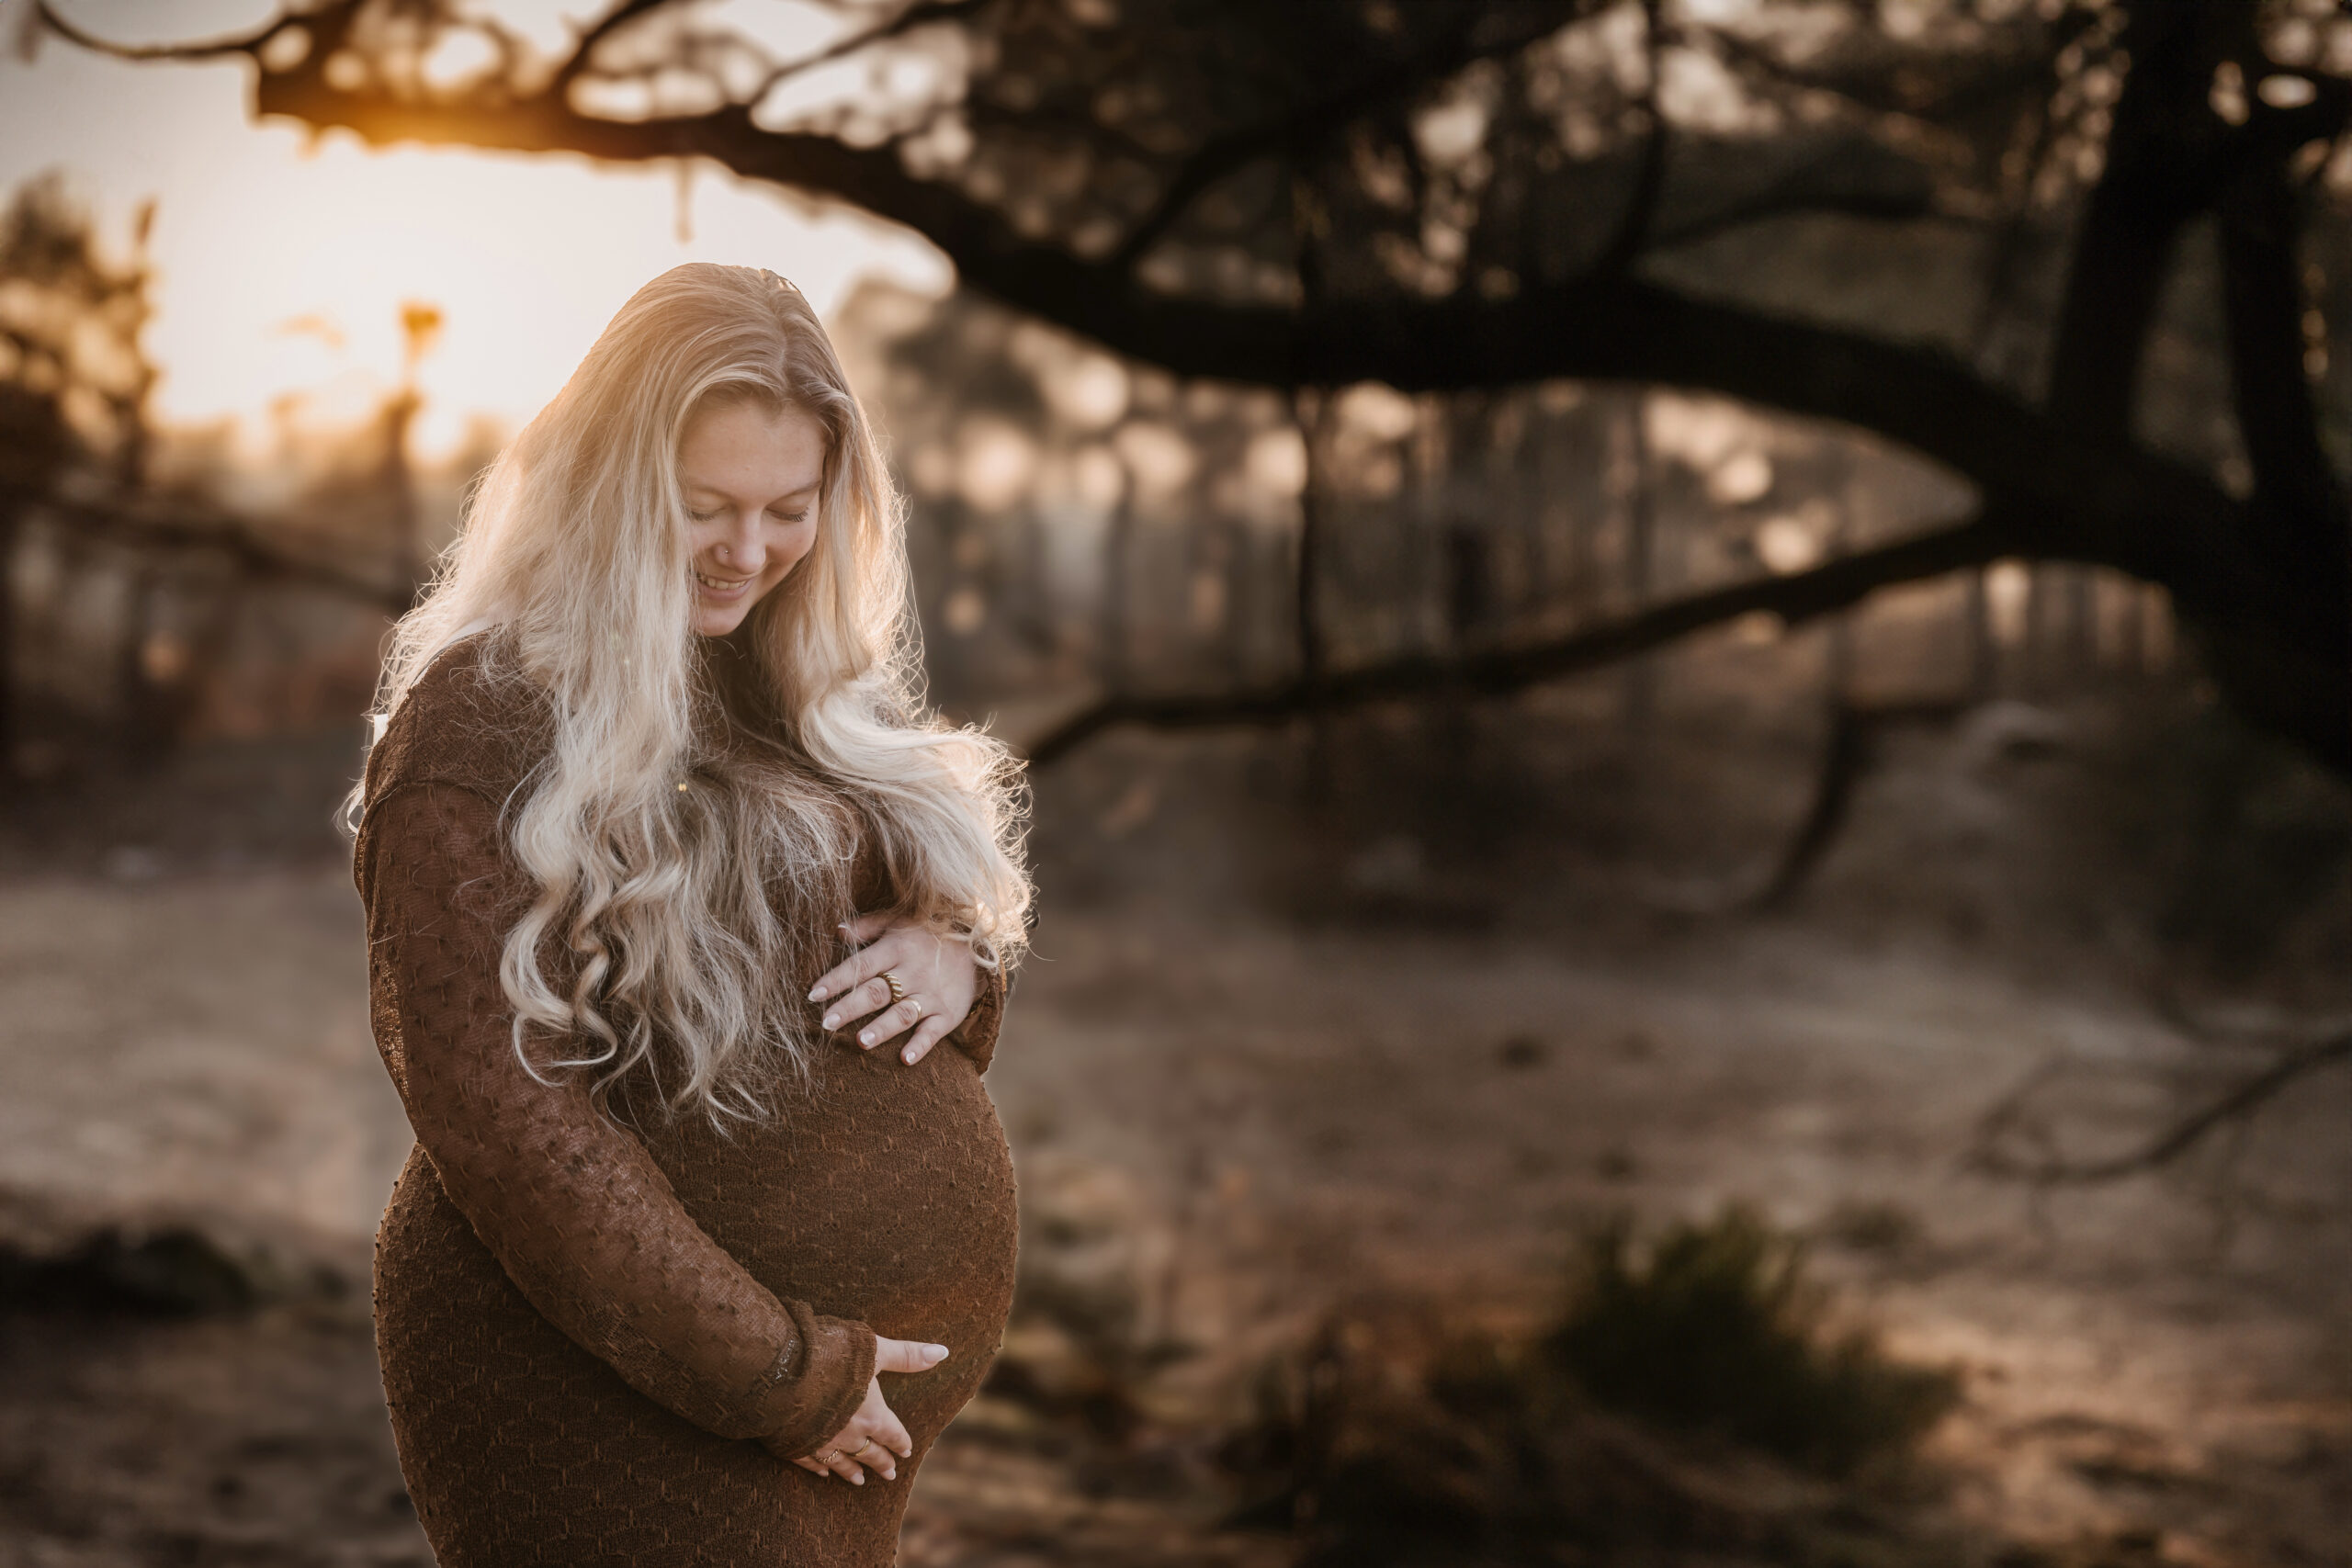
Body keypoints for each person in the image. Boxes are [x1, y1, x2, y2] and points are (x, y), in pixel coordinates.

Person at [348, 263, 1031, 1565]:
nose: (749, 551)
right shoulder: (482, 720)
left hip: (808, 1404)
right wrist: (778, 1374)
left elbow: (843, 939)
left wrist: (956, 962)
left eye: (789, 509)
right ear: (606, 486)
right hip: (599, 1385)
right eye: (703, 506)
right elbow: (501, 1115)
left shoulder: (779, 676)